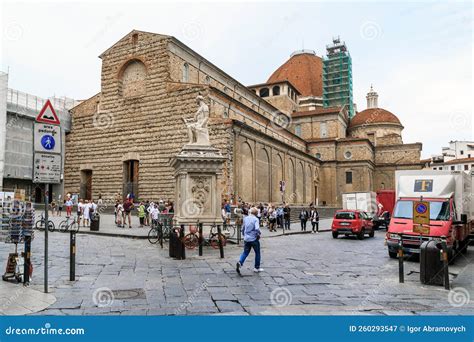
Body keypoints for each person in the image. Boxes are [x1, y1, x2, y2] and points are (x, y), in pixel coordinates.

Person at [236, 207, 264, 275]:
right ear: (256, 213)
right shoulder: (256, 219)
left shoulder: (246, 218)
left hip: (246, 239)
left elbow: (243, 228)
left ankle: (240, 262)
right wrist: (259, 234)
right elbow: (257, 228)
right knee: (257, 253)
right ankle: (256, 268)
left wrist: (244, 235)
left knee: (245, 252)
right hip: (254, 239)